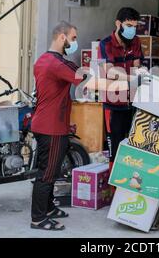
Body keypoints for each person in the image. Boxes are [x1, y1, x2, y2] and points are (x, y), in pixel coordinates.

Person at [30, 21, 136, 231]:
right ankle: (38, 218)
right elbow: (91, 81)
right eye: (74, 38)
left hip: (47, 123)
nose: (75, 42)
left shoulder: (44, 59)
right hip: (51, 127)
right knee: (47, 173)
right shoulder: (57, 63)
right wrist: (131, 84)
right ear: (62, 37)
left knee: (52, 169)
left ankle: (49, 208)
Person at [98, 7, 148, 172]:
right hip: (113, 105)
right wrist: (133, 78)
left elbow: (136, 65)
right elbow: (110, 71)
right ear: (118, 24)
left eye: (134, 26)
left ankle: (129, 188)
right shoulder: (105, 44)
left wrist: (141, 72)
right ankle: (113, 191)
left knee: (133, 146)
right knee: (115, 148)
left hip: (133, 103)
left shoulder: (136, 42)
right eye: (128, 25)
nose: (132, 30)